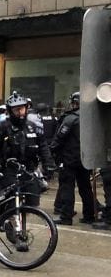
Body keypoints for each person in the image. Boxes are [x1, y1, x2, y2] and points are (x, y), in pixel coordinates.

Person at [0, 92, 55, 208]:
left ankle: (21, 223)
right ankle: (1, 220)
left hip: (29, 170)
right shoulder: (1, 127)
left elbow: (43, 146)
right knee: (8, 204)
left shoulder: (33, 127)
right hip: (8, 170)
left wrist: (49, 163)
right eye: (16, 110)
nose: (20, 113)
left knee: (33, 203)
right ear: (10, 111)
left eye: (22, 109)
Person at [51, 92, 95, 225]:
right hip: (85, 158)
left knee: (67, 187)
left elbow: (59, 138)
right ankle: (89, 215)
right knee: (85, 187)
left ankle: (66, 216)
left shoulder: (71, 118)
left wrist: (51, 151)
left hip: (69, 159)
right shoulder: (91, 117)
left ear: (75, 102)